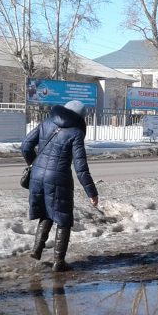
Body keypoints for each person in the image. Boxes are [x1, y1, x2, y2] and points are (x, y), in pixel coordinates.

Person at [21, 100, 99, 272]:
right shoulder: (76, 133)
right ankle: (59, 262)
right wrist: (91, 192)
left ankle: (37, 249)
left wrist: (35, 165)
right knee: (63, 219)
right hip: (59, 177)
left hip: (37, 176)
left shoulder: (46, 122)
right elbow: (80, 167)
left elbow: (26, 146)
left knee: (46, 212)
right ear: (81, 117)